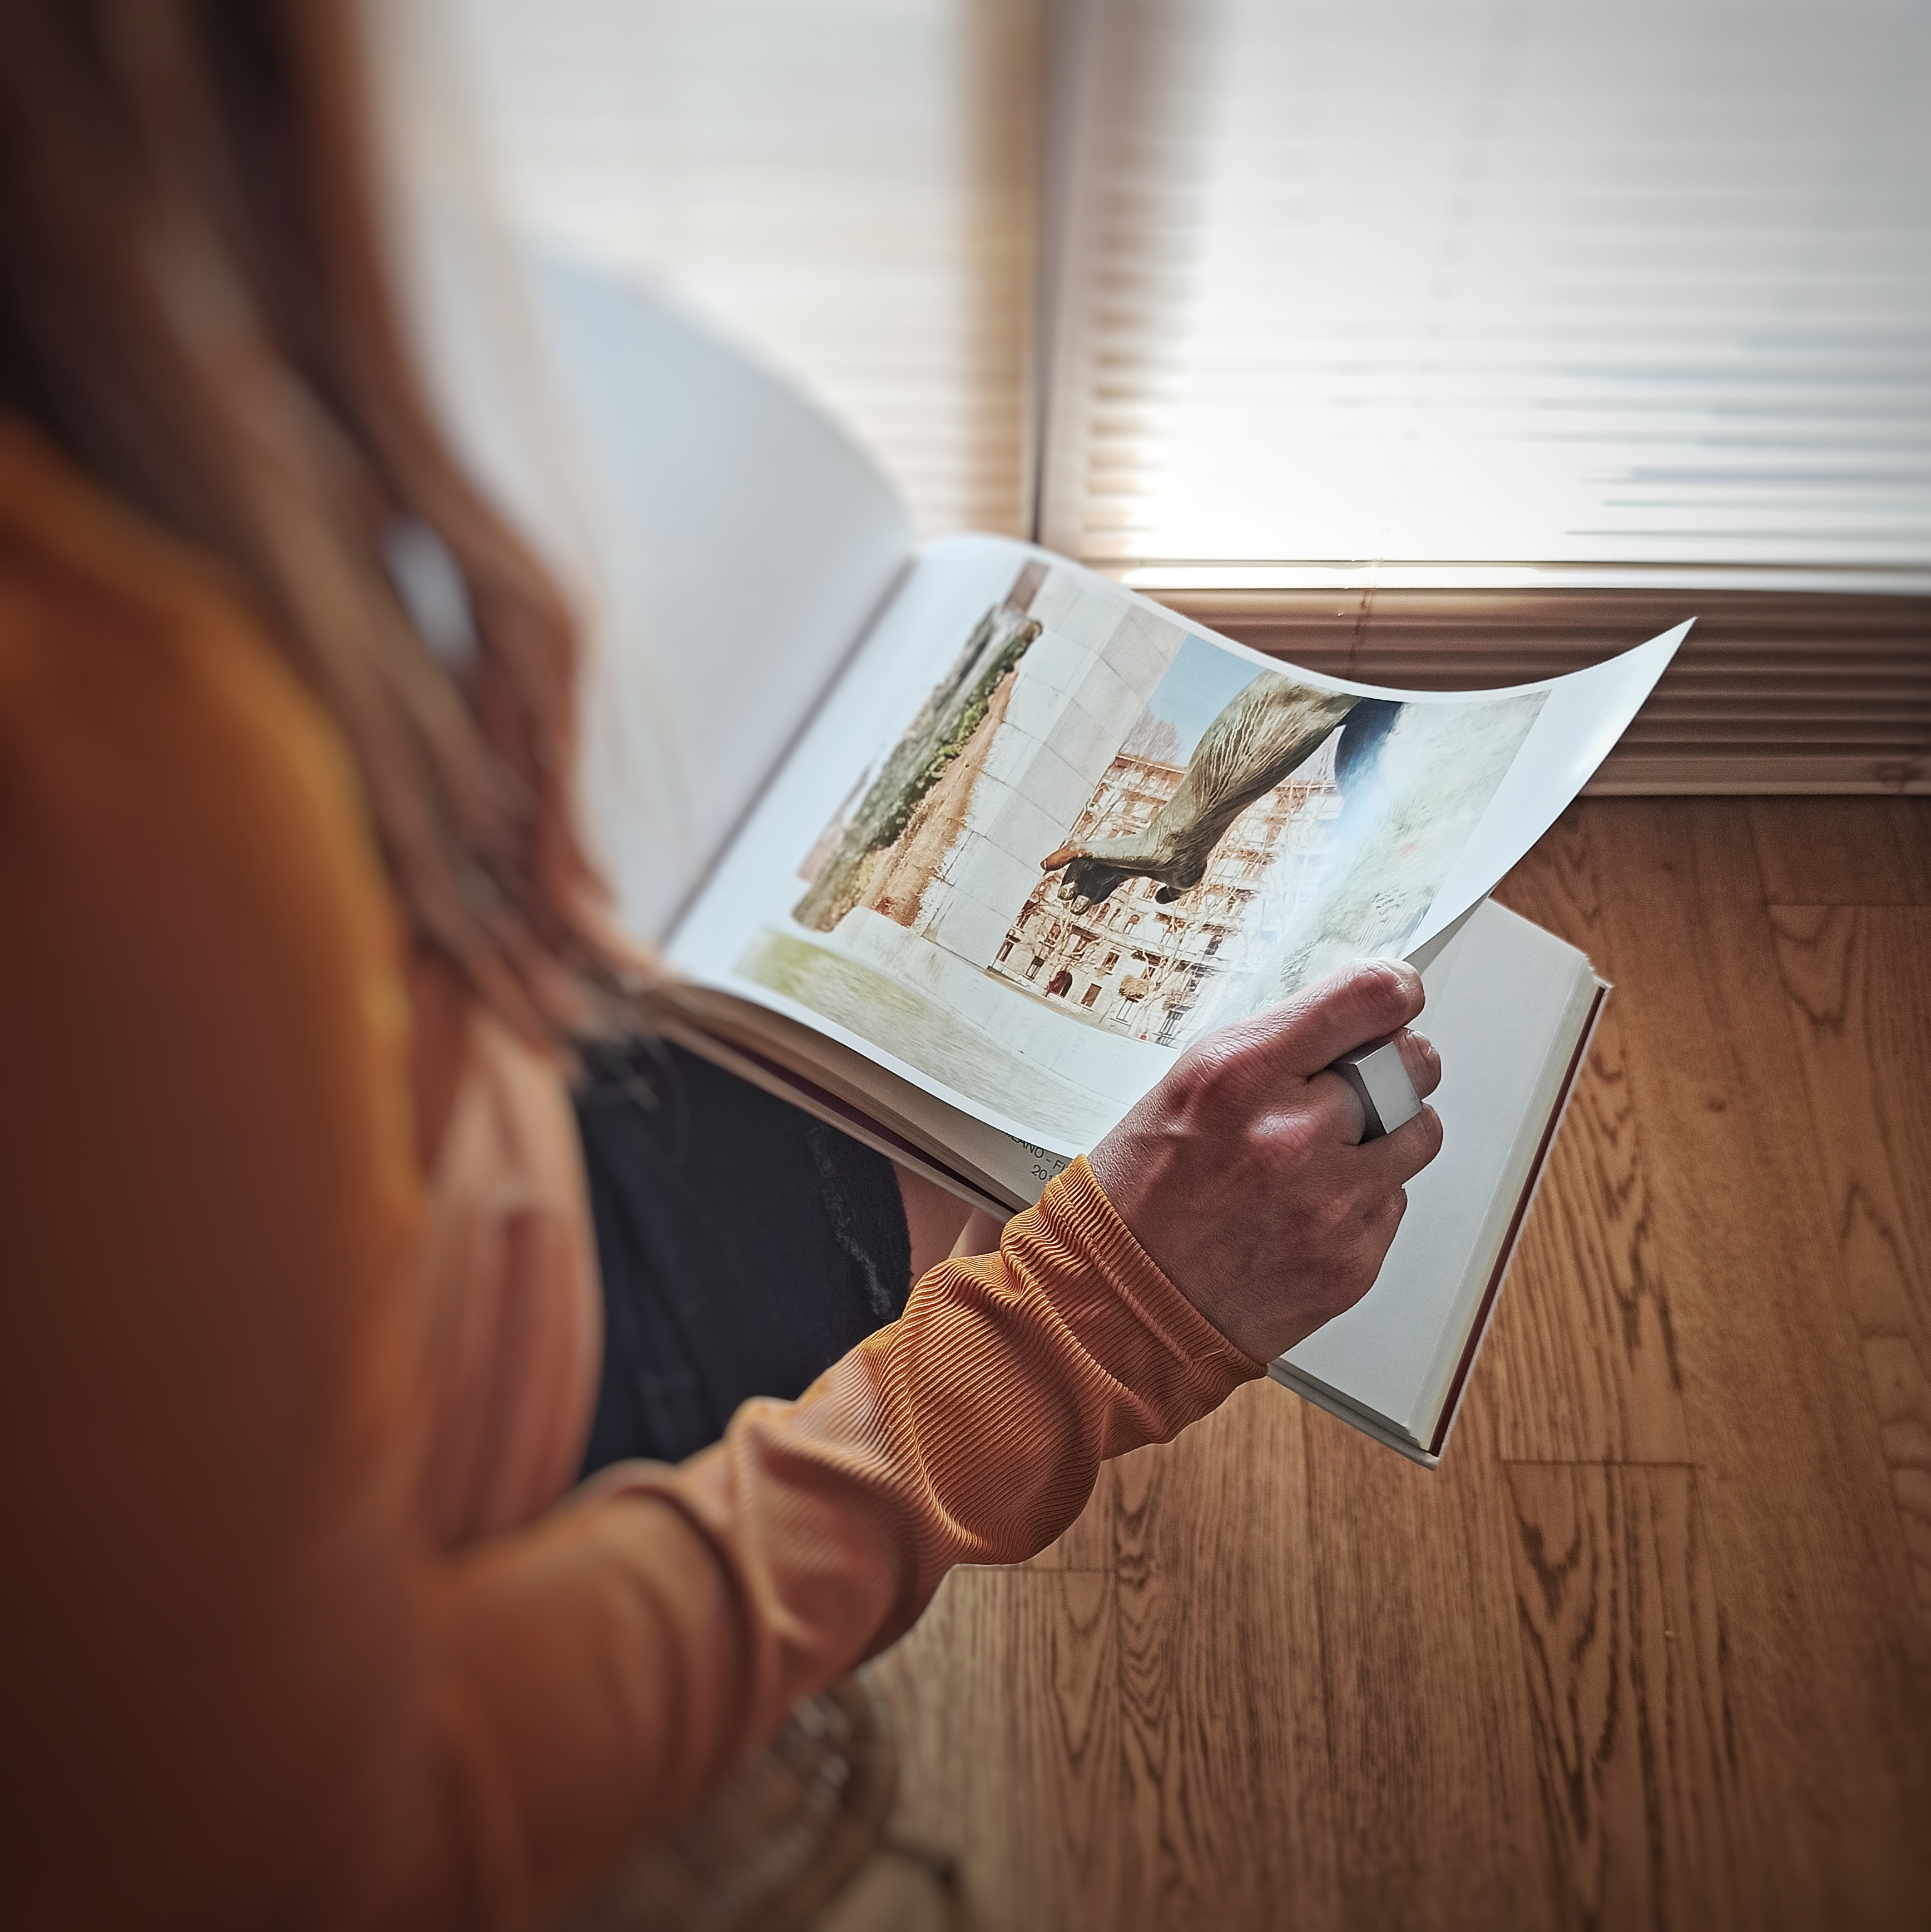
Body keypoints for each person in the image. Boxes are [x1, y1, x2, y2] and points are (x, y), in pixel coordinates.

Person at [0, 4, 1443, 1925]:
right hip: (491, 1424)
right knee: (981, 1158)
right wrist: (1084, 1326)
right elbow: (302, 1843)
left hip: (433, 1167)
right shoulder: (115, 775)